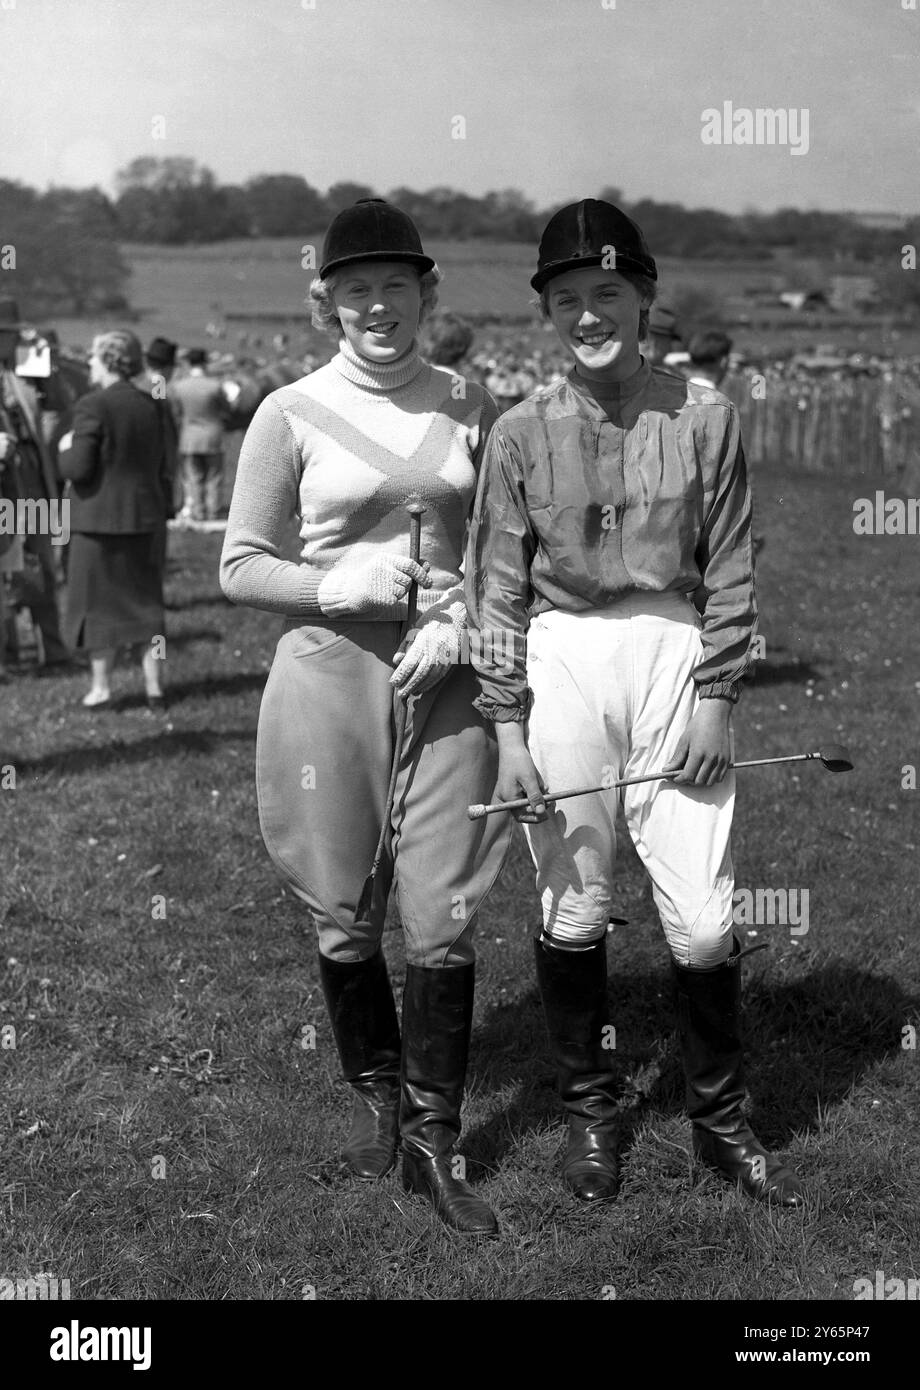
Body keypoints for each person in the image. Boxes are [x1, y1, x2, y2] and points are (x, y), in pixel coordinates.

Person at [465, 198, 804, 1209]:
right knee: (571, 904)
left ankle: (717, 1119)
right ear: (544, 312)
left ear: (643, 295)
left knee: (700, 921)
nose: (586, 313)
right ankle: (593, 1112)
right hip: (562, 656)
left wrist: (714, 702)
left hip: (671, 651)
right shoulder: (518, 430)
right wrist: (503, 726)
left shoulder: (705, 417)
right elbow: (494, 585)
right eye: (564, 297)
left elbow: (733, 567)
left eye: (605, 292)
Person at [220, 199, 511, 1235]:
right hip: (328, 676)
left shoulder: (477, 407)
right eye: (356, 290)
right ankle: (379, 1108)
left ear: (427, 293)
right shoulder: (286, 411)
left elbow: (508, 550)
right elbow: (238, 565)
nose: (378, 305)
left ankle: (437, 1142)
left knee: (442, 907)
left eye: (397, 285)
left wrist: (466, 623)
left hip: (449, 678)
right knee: (343, 911)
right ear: (326, 304)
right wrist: (340, 583)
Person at [57, 330, 174, 710]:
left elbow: (79, 467)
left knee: (96, 611)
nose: (89, 363)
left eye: (93, 356)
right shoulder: (152, 404)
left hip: (97, 524)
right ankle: (154, 689)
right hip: (144, 517)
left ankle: (101, 688)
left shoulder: (93, 405)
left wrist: (64, 449)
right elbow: (163, 461)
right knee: (147, 609)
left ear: (108, 360)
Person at [0, 298, 72, 669]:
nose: (10, 342)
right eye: (6, 336)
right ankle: (9, 653)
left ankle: (54, 651)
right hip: (4, 486)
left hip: (33, 479)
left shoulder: (26, 372)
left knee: (43, 565)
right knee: (7, 569)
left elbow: (62, 406)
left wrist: (48, 369)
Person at [171, 347, 229, 521]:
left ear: (188, 363)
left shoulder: (179, 387)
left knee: (193, 477)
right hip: (213, 435)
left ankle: (198, 510)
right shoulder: (215, 385)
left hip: (189, 436)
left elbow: (177, 412)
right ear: (205, 363)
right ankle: (213, 510)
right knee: (214, 476)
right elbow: (226, 408)